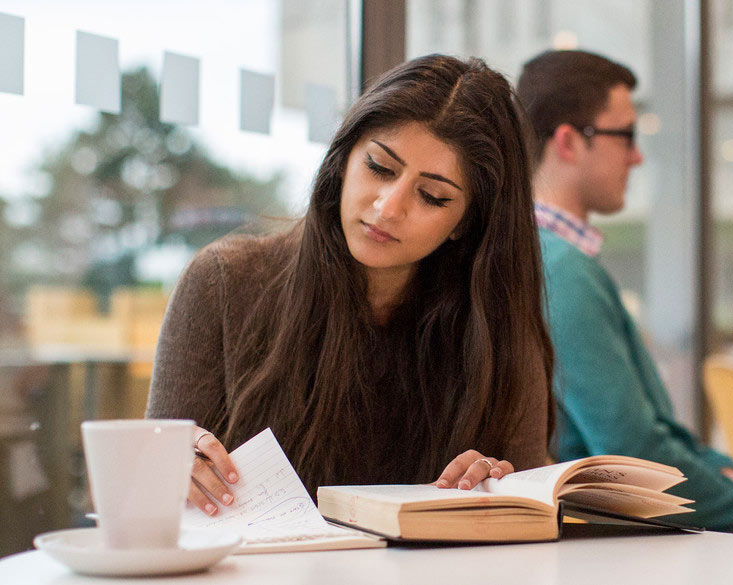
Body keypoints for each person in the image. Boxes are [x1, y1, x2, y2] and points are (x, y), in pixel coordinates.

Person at [146, 55, 554, 515]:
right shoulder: (225, 282)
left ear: (467, 222)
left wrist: (500, 486)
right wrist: (168, 466)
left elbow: (530, 510)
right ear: (344, 159)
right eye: (379, 167)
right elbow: (146, 492)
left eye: (432, 196)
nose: (388, 206)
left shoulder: (495, 326)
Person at [516, 49, 733, 532]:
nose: (636, 156)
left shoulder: (546, 260)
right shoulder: (559, 270)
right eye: (626, 135)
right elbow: (629, 450)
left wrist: (720, 469)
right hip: (614, 539)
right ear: (569, 143)